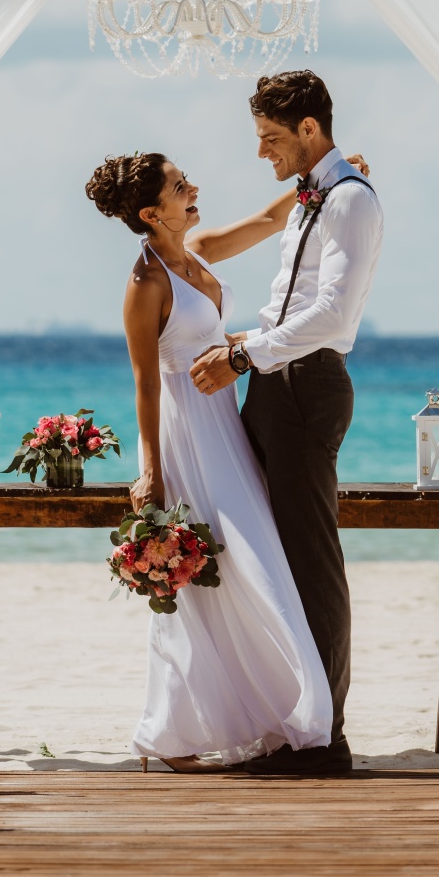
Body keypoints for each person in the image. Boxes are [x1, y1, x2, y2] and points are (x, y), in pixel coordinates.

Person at [86, 150, 336, 771]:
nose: (193, 186)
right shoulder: (145, 283)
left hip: (227, 422)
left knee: (254, 565)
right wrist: (151, 471)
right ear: (151, 212)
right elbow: (145, 383)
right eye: (178, 186)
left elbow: (269, 218)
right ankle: (178, 733)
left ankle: (268, 713)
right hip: (188, 434)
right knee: (215, 575)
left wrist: (326, 176)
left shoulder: (193, 251)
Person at [189, 70, 384, 775]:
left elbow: (332, 314)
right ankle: (288, 722)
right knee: (268, 557)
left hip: (307, 386)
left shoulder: (351, 203)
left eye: (272, 139)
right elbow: (287, 300)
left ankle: (325, 741)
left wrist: (242, 354)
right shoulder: (311, 197)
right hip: (274, 380)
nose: (263, 153)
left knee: (310, 559)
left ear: (310, 129)